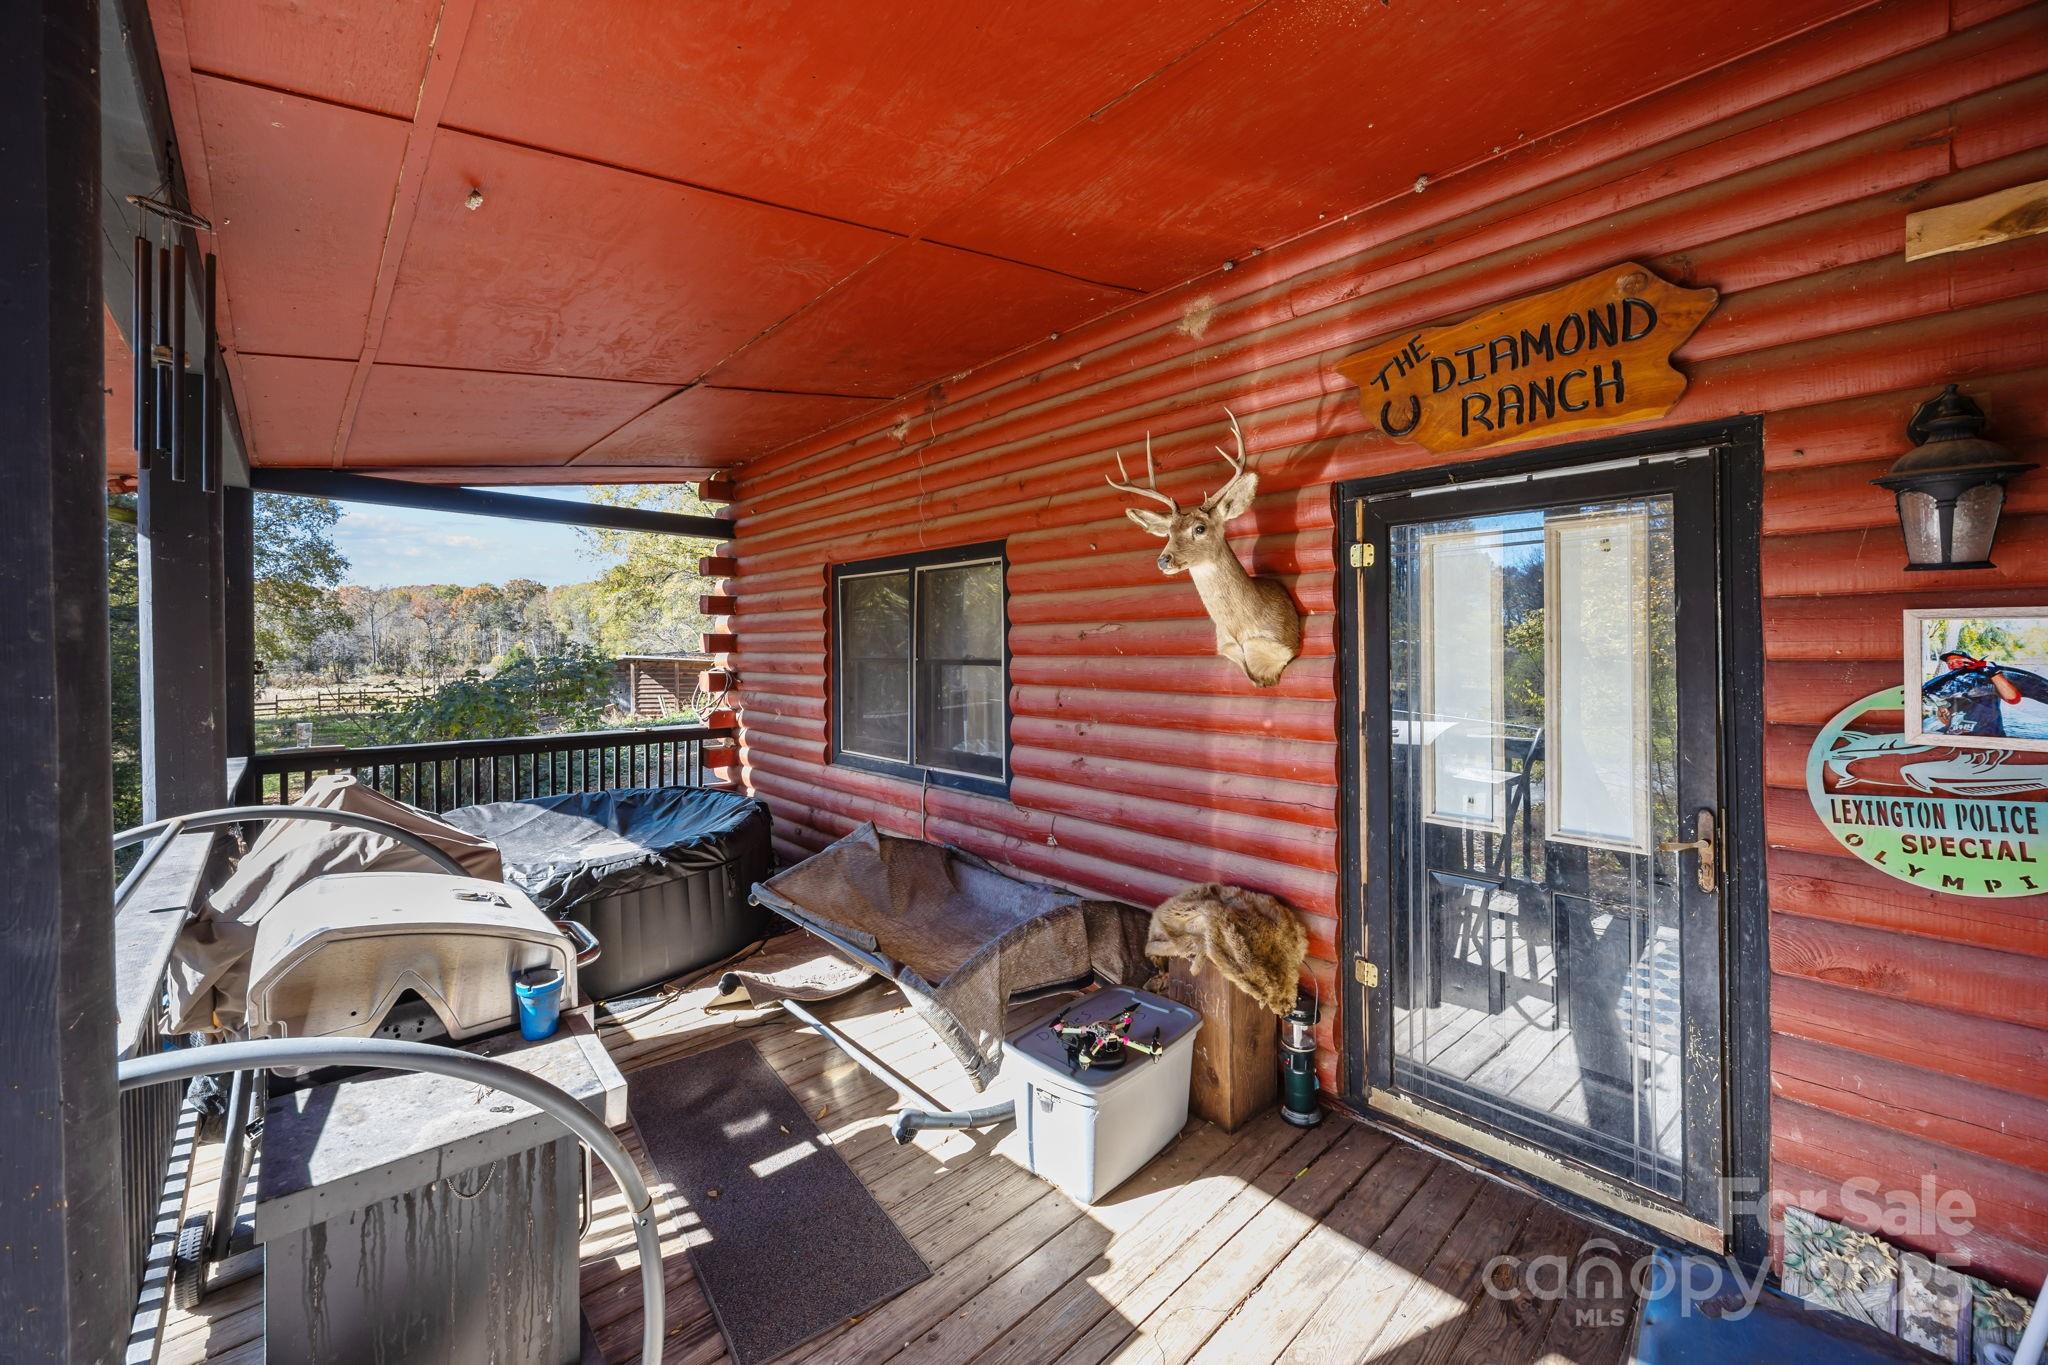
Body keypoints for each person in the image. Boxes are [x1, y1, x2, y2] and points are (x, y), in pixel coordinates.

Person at [1921, 650, 2048, 738]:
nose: (1953, 665)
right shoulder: (1952, 684)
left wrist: (1993, 672)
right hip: (1956, 736)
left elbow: (2012, 698)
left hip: (1987, 736)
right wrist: (1940, 706)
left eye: (1958, 661)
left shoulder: (1988, 676)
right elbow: (1947, 719)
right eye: (1950, 663)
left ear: (1970, 661)